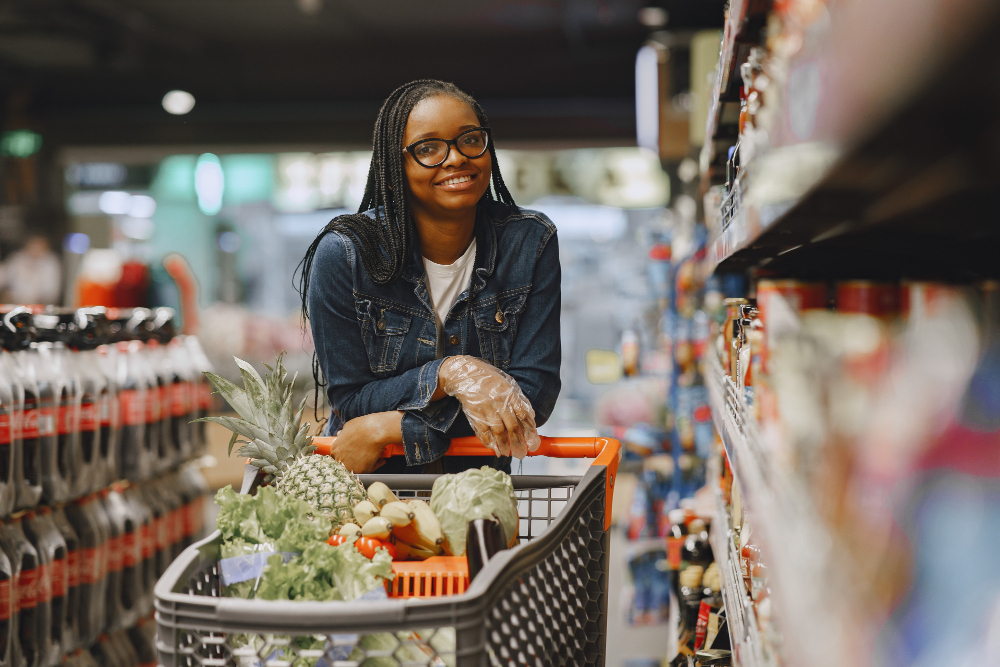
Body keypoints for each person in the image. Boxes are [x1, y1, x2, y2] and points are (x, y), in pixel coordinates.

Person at [300, 80, 561, 474]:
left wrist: (388, 426)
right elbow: (351, 401)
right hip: (372, 496)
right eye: (428, 149)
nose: (456, 158)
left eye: (470, 140)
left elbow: (531, 399)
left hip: (477, 496)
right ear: (394, 167)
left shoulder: (529, 243)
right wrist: (449, 374)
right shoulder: (347, 255)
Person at [1, 235, 62, 305]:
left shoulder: (51, 263)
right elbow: (3, 278)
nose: (35, 249)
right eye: (33, 246)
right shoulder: (17, 259)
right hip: (14, 304)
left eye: (38, 246)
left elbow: (52, 292)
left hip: (40, 305)